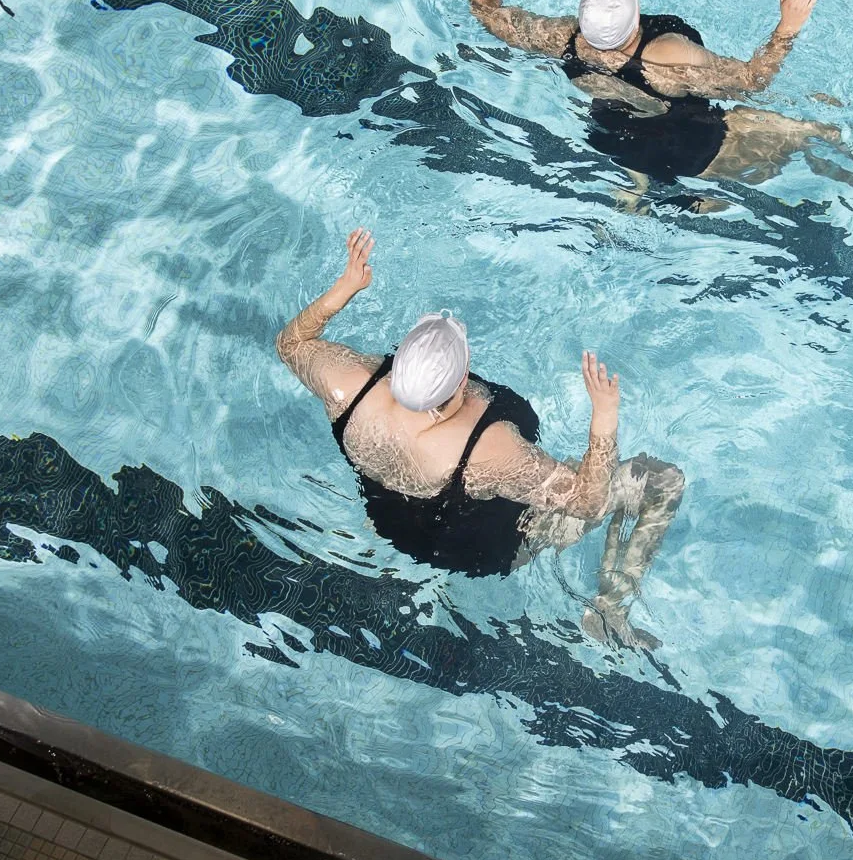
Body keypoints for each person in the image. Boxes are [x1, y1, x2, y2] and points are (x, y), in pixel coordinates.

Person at [276, 228, 686, 647]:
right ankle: (609, 611)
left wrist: (345, 288)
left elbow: (290, 342)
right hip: (491, 550)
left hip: (391, 524)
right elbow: (588, 503)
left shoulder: (348, 385)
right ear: (462, 376)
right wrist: (604, 417)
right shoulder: (490, 452)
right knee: (661, 480)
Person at [459, 0, 853, 192]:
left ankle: (641, 185)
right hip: (693, 147)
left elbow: (488, 13)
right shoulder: (667, 54)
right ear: (636, 21)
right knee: (819, 127)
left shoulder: (559, 36)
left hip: (617, 140)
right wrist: (786, 29)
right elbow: (753, 80)